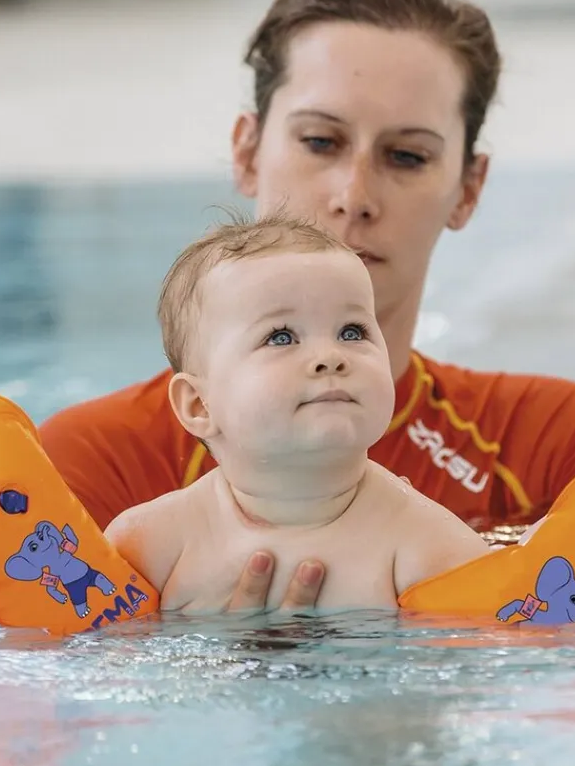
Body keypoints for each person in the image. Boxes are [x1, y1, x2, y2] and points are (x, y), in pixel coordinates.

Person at [39, 0, 575, 613]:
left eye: (407, 156)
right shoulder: (98, 463)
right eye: (320, 141)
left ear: (468, 189)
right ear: (247, 152)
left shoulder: (556, 450)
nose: (354, 195)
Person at [106, 212, 488, 611]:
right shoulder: (151, 546)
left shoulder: (432, 549)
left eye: (352, 331)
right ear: (200, 405)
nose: (330, 356)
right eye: (281, 337)